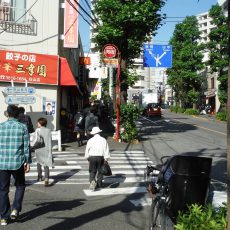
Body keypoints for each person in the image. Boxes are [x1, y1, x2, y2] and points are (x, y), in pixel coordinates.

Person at [0, 105, 31, 226]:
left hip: (2, 162)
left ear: (7, 113)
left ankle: (3, 217)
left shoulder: (1, 127)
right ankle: (15, 209)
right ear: (18, 114)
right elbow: (26, 146)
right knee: (20, 185)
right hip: (17, 161)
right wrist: (27, 161)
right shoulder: (22, 127)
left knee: (3, 190)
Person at [84, 126, 110, 191]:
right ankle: (99, 184)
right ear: (99, 133)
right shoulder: (103, 140)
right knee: (100, 171)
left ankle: (92, 181)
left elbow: (87, 150)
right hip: (100, 157)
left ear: (93, 133)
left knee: (92, 171)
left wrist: (87, 157)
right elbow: (106, 149)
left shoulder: (90, 140)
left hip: (92, 157)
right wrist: (106, 158)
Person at [34, 118, 53, 186]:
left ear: (40, 123)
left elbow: (35, 140)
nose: (37, 124)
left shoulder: (37, 130)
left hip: (39, 148)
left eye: (38, 123)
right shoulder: (49, 130)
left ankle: (39, 177)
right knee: (46, 164)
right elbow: (50, 140)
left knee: (39, 163)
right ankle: (47, 178)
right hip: (47, 149)